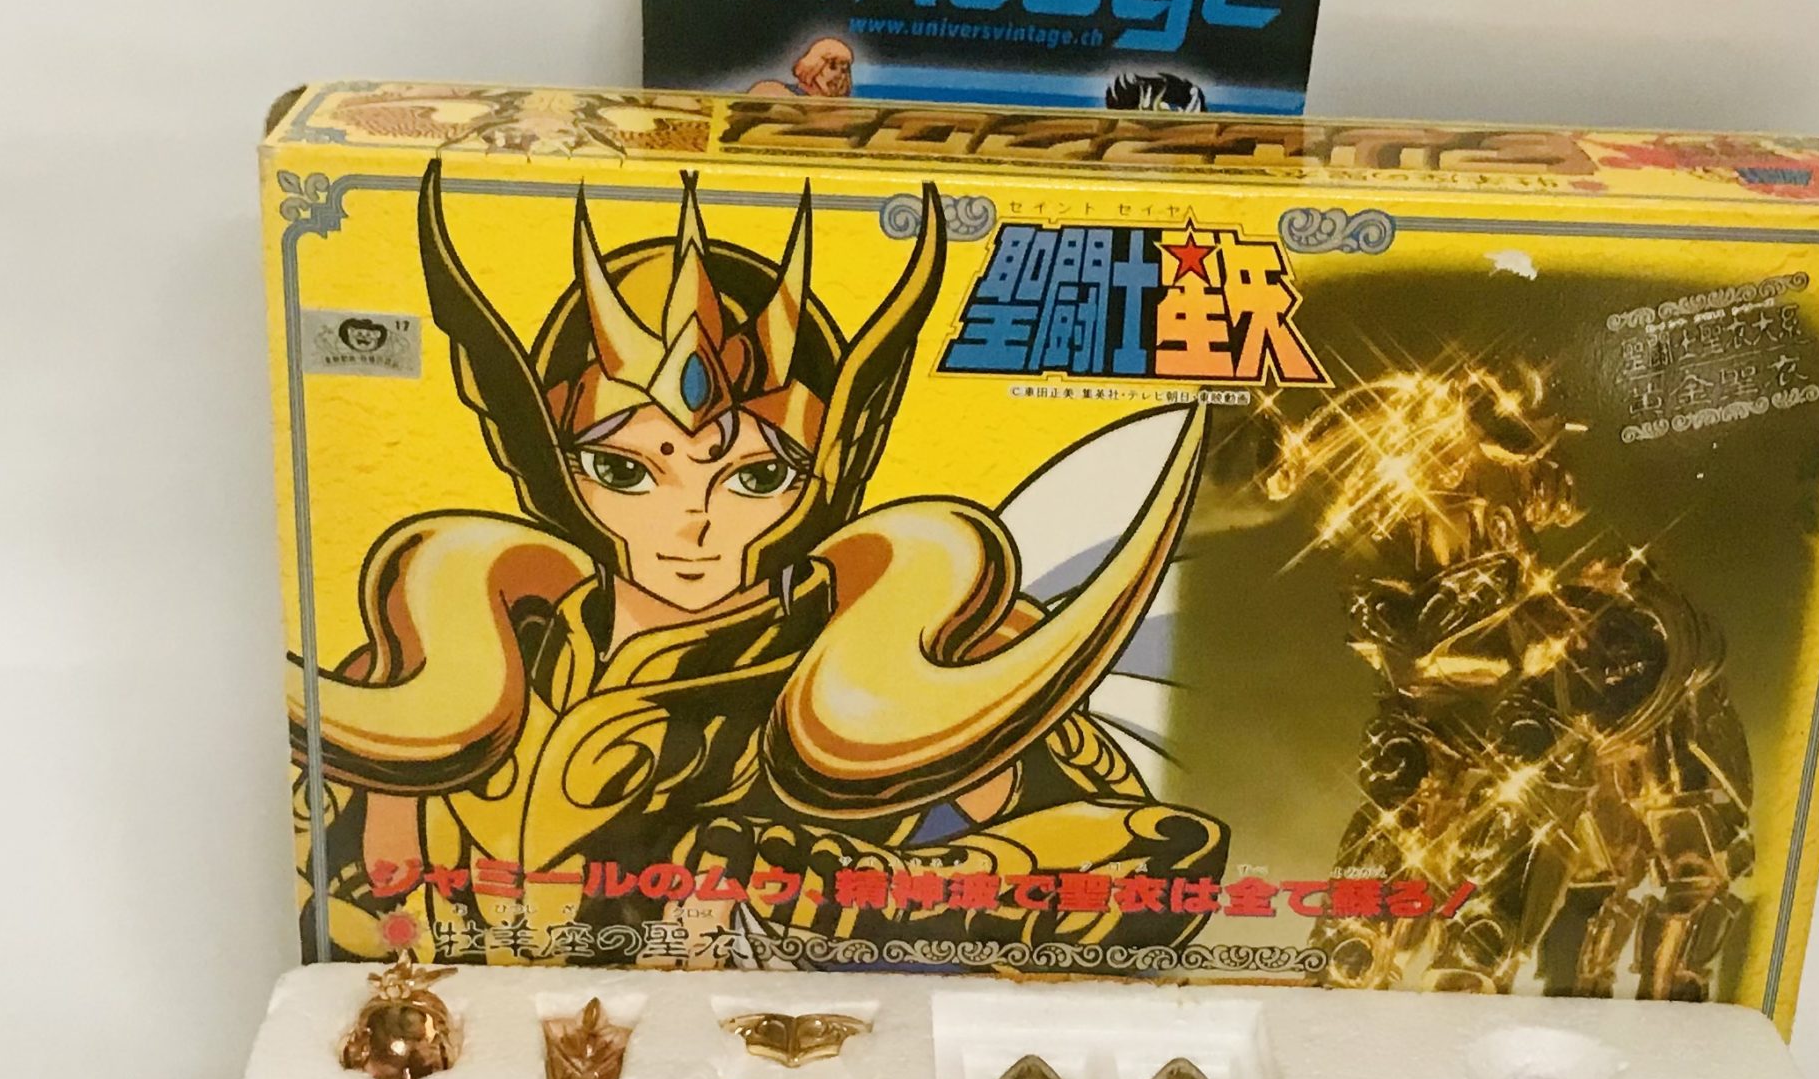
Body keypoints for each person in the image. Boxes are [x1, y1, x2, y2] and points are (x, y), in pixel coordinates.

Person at [287, 164, 1225, 963]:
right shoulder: (446, 666)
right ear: (546, 461)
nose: (692, 519)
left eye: (754, 475)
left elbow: (1157, 860)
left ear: (829, 463)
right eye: (627, 471)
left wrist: (858, 892)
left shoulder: (904, 663)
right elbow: (323, 899)